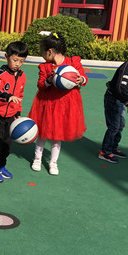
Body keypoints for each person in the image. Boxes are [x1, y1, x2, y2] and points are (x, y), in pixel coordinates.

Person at [28, 33, 87, 175]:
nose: (42, 55)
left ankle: (53, 162)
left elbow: (84, 78)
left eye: (42, 52)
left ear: (50, 51)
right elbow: (40, 85)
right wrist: (49, 80)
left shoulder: (73, 62)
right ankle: (37, 158)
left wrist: (81, 80)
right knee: (42, 133)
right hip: (47, 104)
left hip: (65, 105)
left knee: (57, 135)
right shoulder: (45, 67)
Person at [0, 41, 28, 182]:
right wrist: (8, 96)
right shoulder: (1, 75)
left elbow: (20, 97)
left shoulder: (22, 76)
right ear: (6, 56)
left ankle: (1, 166)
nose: (18, 64)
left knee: (7, 144)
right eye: (15, 60)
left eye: (21, 61)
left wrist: (18, 114)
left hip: (11, 116)